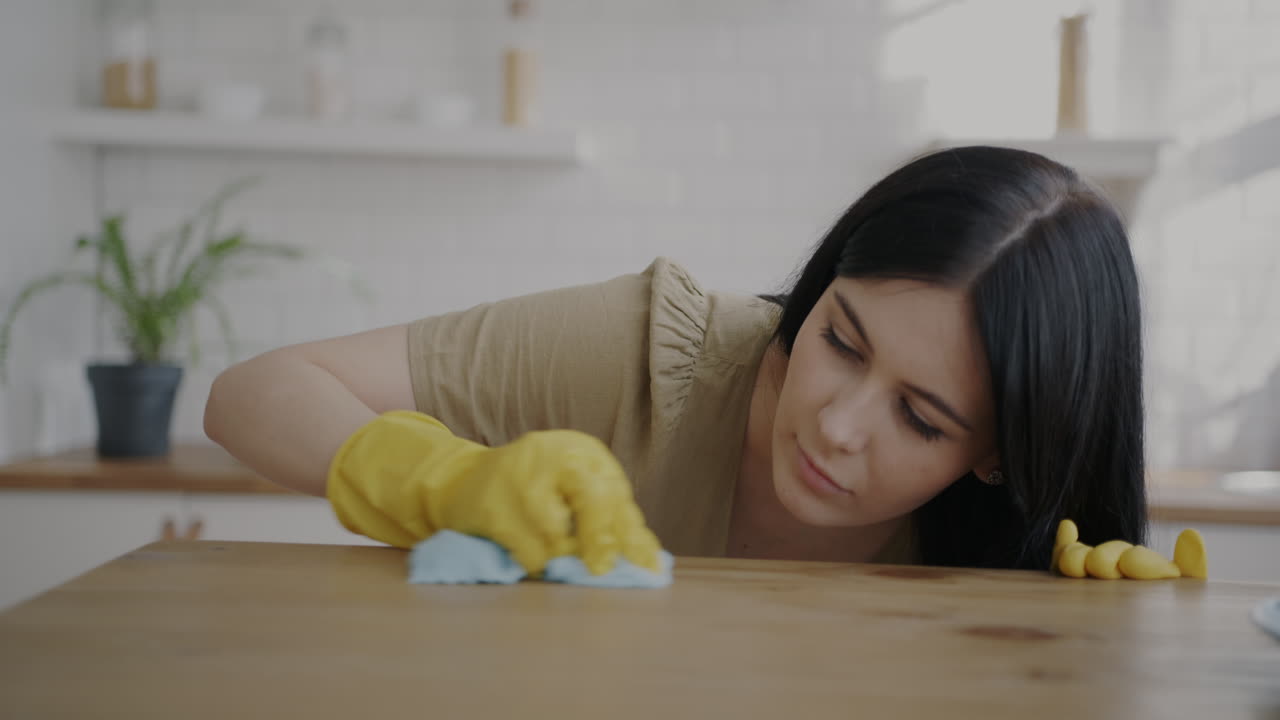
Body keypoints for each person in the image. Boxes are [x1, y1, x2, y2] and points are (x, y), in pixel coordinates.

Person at [204, 145, 1147, 575]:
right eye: (840, 341)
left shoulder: (1034, 560)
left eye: (920, 417)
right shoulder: (663, 351)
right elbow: (255, 393)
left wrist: (1101, 636)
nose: (836, 422)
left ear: (998, 456)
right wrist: (447, 482)